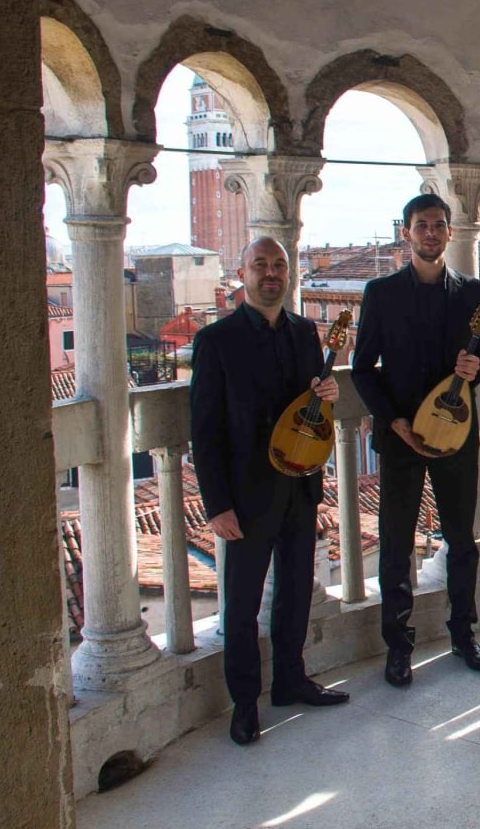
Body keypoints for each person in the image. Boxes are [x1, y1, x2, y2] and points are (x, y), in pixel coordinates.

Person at [190, 237, 350, 746]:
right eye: (260, 265)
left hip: (299, 486)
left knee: (296, 591)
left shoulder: (306, 333)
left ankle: (290, 680)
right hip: (244, 493)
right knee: (241, 604)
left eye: (279, 265)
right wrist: (216, 505)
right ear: (242, 273)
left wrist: (326, 392)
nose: (270, 273)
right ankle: (244, 703)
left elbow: (310, 413)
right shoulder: (216, 340)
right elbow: (205, 427)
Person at [351, 194, 480, 685]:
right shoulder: (381, 292)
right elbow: (362, 369)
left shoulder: (472, 292)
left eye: (438, 225)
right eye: (421, 225)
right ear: (406, 232)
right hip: (401, 437)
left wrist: (476, 369)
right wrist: (392, 421)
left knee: (463, 540)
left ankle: (464, 634)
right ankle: (399, 647)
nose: (430, 233)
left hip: (456, 435)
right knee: (396, 545)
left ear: (450, 233)